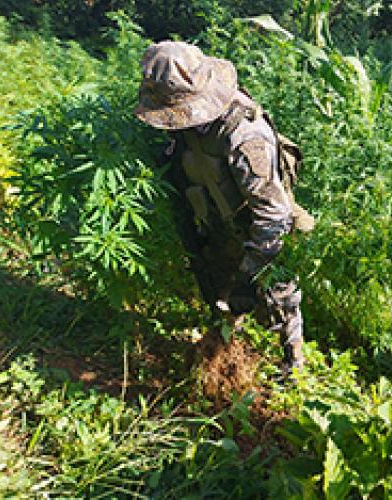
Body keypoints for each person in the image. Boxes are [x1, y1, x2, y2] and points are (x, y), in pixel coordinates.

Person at [134, 41, 313, 377]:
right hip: (218, 220)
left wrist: (248, 276)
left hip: (260, 230)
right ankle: (227, 349)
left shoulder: (244, 137)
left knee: (277, 299)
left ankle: (294, 369)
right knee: (218, 291)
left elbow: (273, 216)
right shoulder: (190, 127)